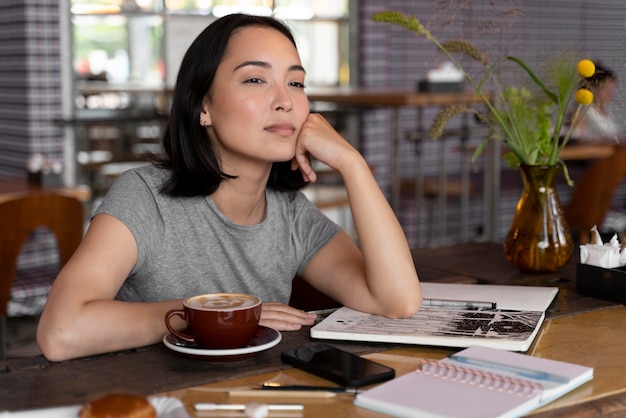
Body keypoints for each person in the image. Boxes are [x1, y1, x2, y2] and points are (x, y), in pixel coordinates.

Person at [37, 13, 422, 361]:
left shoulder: (289, 214)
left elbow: (397, 301)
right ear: (203, 106)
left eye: (296, 82)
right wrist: (216, 314)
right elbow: (61, 332)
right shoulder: (144, 197)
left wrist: (352, 164)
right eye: (256, 79)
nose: (285, 100)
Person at [572, 62, 623, 142]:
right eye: (607, 91)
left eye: (611, 92)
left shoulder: (607, 111)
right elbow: (580, 139)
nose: (610, 96)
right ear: (593, 87)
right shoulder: (581, 112)